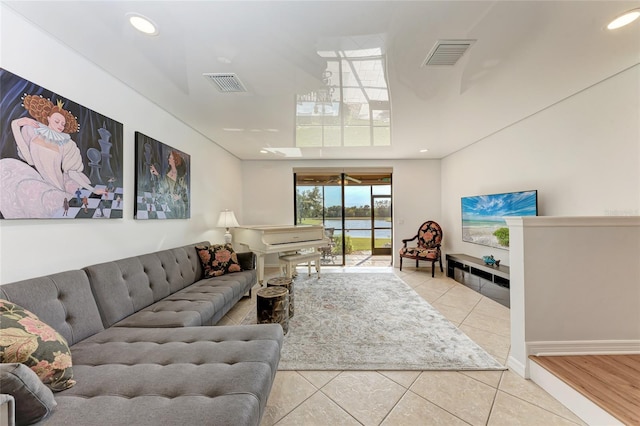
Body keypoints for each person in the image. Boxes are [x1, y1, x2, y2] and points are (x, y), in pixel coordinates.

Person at [0, 95, 104, 218]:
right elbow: (29, 159)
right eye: (57, 121)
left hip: (59, 186)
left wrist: (91, 190)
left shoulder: (67, 143)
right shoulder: (33, 135)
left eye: (63, 124)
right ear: (48, 118)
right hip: (42, 184)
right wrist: (16, 124)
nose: (60, 126)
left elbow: (72, 172)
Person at [149, 150, 188, 218]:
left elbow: (185, 192)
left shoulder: (180, 175)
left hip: (178, 207)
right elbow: (163, 186)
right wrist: (157, 174)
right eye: (169, 157)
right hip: (169, 203)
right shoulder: (168, 171)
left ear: (175, 161)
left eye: (170, 158)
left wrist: (179, 197)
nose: (168, 159)